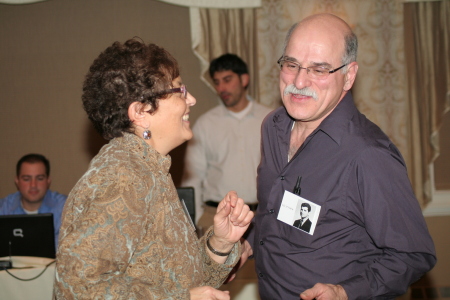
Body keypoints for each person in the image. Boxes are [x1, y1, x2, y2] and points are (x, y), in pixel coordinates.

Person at [240, 13, 437, 300]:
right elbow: (276, 211)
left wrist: (345, 292)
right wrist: (248, 243)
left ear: (349, 75)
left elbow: (413, 254)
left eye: (319, 70)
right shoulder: (274, 126)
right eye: (291, 64)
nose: (299, 81)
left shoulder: (367, 155)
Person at [53, 38, 254, 300]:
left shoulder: (150, 169)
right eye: (179, 90)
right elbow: (79, 289)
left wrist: (221, 243)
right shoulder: (122, 177)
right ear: (141, 112)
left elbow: (182, 280)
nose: (191, 99)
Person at [182, 53, 271, 234]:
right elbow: (193, 177)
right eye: (217, 82)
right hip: (215, 218)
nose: (221, 87)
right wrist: (197, 219)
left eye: (227, 79)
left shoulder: (270, 120)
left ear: (244, 79)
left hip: (260, 219)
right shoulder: (205, 124)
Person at [0, 153, 67, 248]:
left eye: (39, 178)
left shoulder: (66, 208)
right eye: (26, 179)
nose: (33, 185)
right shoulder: (3, 208)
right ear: (17, 181)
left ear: (48, 181)